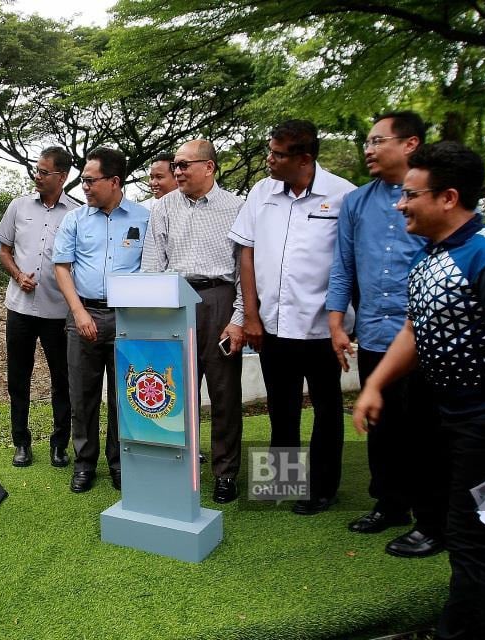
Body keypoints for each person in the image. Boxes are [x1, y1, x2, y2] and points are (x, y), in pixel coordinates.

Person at [353, 141, 485, 639]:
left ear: (448, 197)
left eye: (410, 195)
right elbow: (414, 331)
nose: (400, 204)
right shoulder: (435, 255)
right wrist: (375, 383)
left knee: (474, 538)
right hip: (453, 419)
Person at [326, 111, 446, 557]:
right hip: (375, 333)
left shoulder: (435, 200)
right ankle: (390, 504)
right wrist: (338, 322)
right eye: (367, 142)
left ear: (410, 144)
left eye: (378, 141)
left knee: (426, 431)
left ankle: (433, 520)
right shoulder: (356, 202)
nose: (369, 149)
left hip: (426, 338)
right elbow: (343, 267)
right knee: (382, 427)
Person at [227, 120, 356, 515]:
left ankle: (321, 489)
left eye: (277, 154)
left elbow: (350, 263)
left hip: (323, 327)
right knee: (280, 407)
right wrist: (250, 315)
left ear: (304, 158)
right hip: (272, 326)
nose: (269, 159)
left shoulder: (342, 196)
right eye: (270, 150)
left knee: (327, 408)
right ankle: (283, 481)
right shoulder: (262, 193)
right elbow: (245, 252)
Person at [141, 139, 246, 503]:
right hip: (174, 301)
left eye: (185, 165)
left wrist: (239, 318)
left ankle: (225, 473)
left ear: (210, 167)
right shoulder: (163, 207)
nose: (178, 171)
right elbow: (152, 265)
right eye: (176, 165)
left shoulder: (237, 207)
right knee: (173, 391)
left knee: (224, 393)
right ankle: (177, 467)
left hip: (220, 300)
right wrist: (153, 318)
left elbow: (245, 271)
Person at [53, 147, 151, 493]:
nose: (84, 187)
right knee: (83, 396)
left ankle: (121, 464)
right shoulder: (75, 219)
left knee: (125, 397)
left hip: (129, 318)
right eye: (83, 180)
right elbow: (61, 267)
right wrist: (79, 312)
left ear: (114, 181)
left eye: (90, 181)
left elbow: (152, 268)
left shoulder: (143, 218)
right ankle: (84, 463)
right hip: (85, 315)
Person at [0, 146, 82, 468]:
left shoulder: (75, 214)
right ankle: (21, 443)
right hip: (19, 309)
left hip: (58, 313)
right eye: (36, 169)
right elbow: (2, 252)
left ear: (62, 176)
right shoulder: (18, 207)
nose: (37, 176)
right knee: (19, 377)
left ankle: (59, 445)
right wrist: (18, 275)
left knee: (62, 380)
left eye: (44, 172)